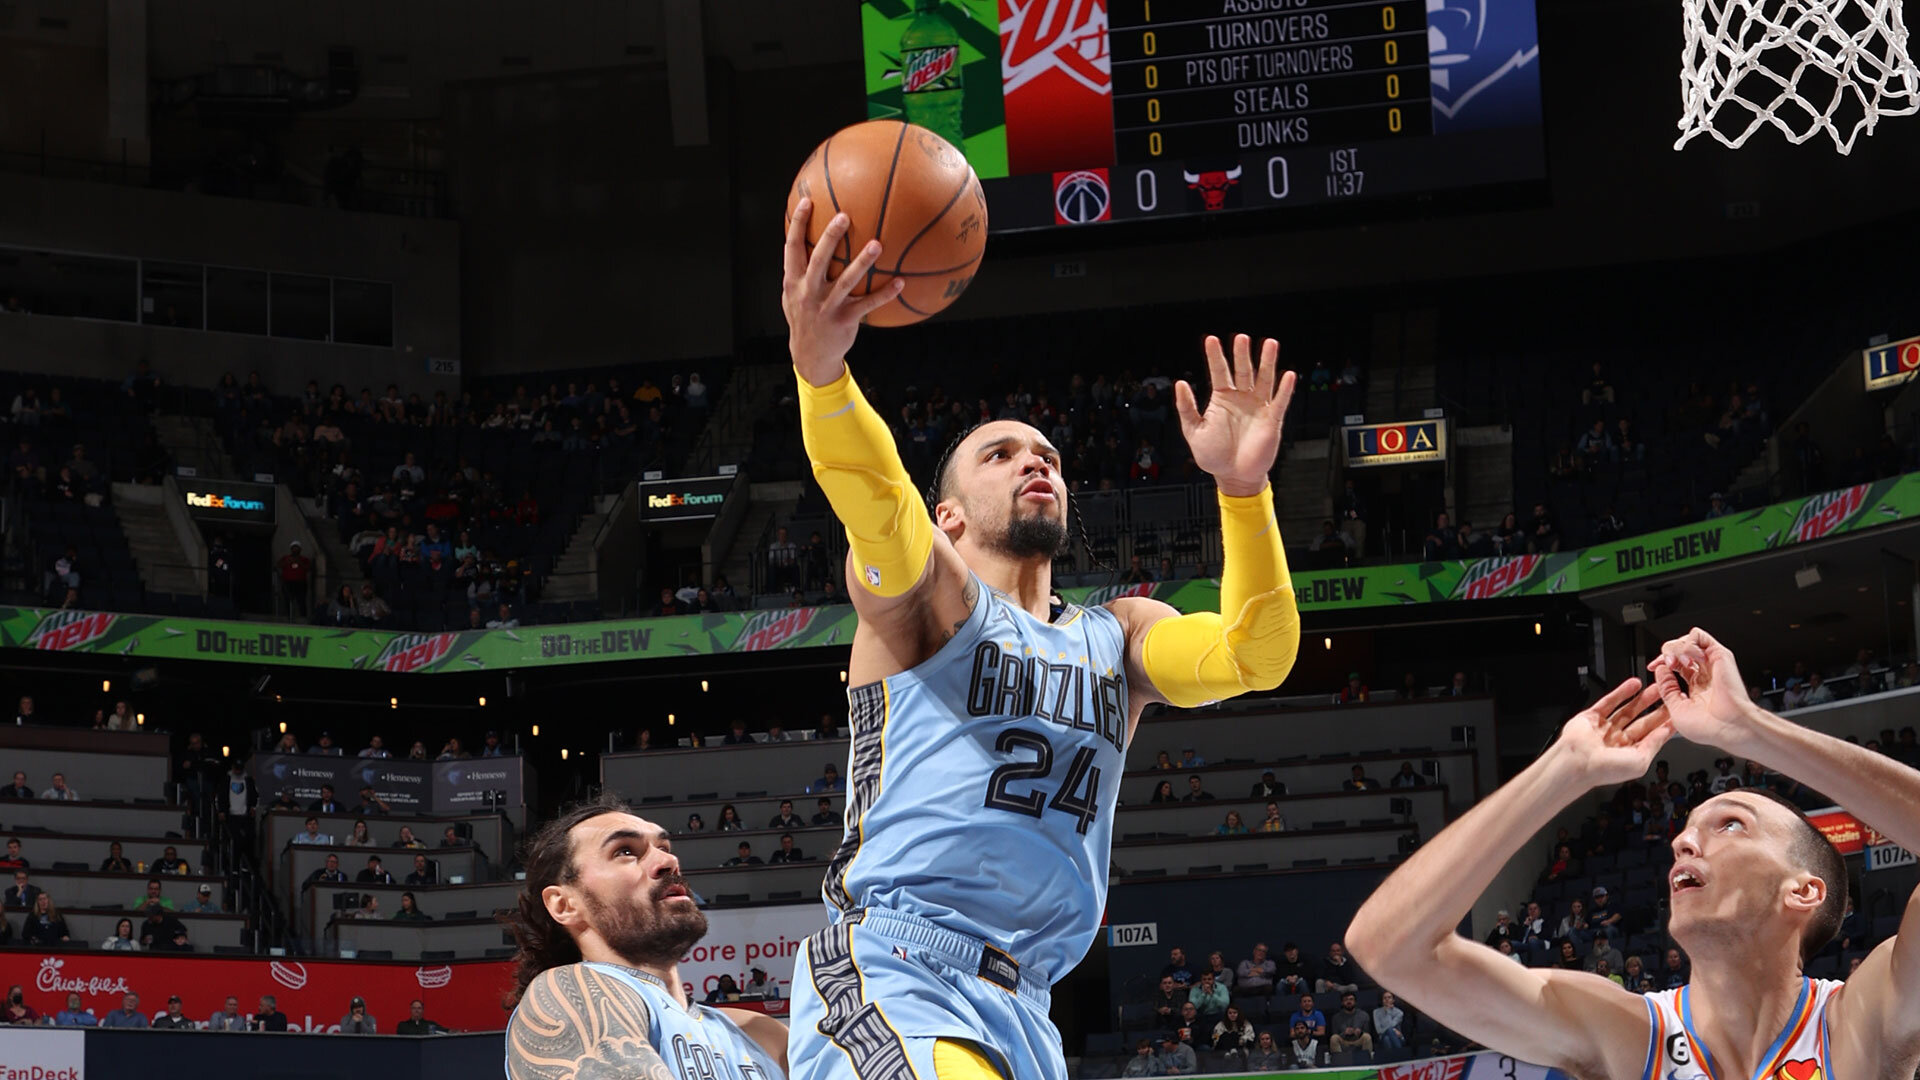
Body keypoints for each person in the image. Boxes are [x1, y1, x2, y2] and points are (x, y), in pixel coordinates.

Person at [780, 203, 1301, 1080]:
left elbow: (1256, 656)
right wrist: (822, 374)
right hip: (898, 968)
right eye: (1002, 454)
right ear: (947, 516)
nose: (1037, 461)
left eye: (1049, 454)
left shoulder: (1121, 635)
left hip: (1027, 1007)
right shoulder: (928, 602)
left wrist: (1243, 492)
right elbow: (876, 500)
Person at [1346, 627, 1917, 1080]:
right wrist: (1560, 773)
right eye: (1688, 830)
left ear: (1804, 891)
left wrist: (1752, 731)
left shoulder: (1862, 1020)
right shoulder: (1627, 1034)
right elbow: (1389, 948)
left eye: (1732, 825)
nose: (1684, 841)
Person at [502, 796, 788, 1078]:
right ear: (564, 904)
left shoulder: (762, 1033)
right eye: (625, 851)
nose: (669, 861)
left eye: (663, 847)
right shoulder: (564, 993)